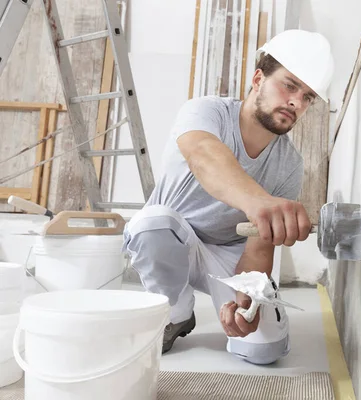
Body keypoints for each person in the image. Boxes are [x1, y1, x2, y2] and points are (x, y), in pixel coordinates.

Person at [122, 29, 334, 365]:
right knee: (151, 223)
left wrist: (246, 302)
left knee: (264, 350)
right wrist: (258, 202)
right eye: (290, 85)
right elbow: (204, 154)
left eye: (307, 97)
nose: (296, 102)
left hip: (229, 258)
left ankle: (246, 323)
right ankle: (175, 312)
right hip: (175, 241)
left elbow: (259, 244)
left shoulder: (290, 165)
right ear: (258, 79)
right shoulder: (206, 111)